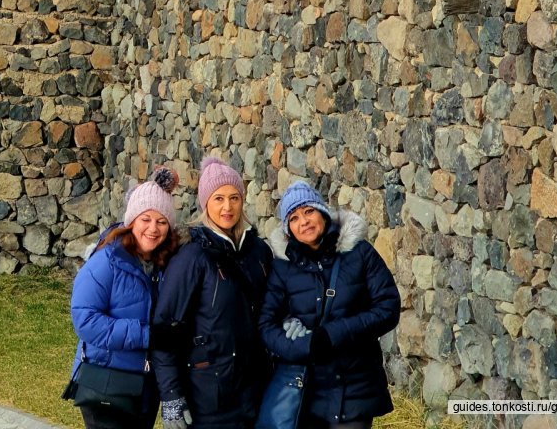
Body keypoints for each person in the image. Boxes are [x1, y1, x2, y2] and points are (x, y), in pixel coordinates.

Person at [258, 180, 401, 429]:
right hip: (306, 392)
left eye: (308, 211)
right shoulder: (283, 268)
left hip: (354, 387)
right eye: (293, 218)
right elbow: (266, 323)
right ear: (288, 229)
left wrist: (332, 335)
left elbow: (388, 307)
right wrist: (299, 346)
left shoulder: (360, 253)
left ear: (322, 212)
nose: (303, 221)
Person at [150, 156, 273, 429]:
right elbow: (164, 330)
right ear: (206, 203)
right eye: (218, 199)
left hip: (254, 391)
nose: (227, 207)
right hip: (207, 396)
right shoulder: (192, 257)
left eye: (234, 198)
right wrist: (171, 395)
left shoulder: (259, 253)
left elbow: (272, 309)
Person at [69, 167, 181, 429]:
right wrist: (146, 334)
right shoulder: (107, 261)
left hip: (142, 386)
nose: (153, 228)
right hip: (106, 383)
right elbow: (86, 321)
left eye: (161, 221)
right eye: (146, 219)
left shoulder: (163, 264)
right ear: (132, 220)